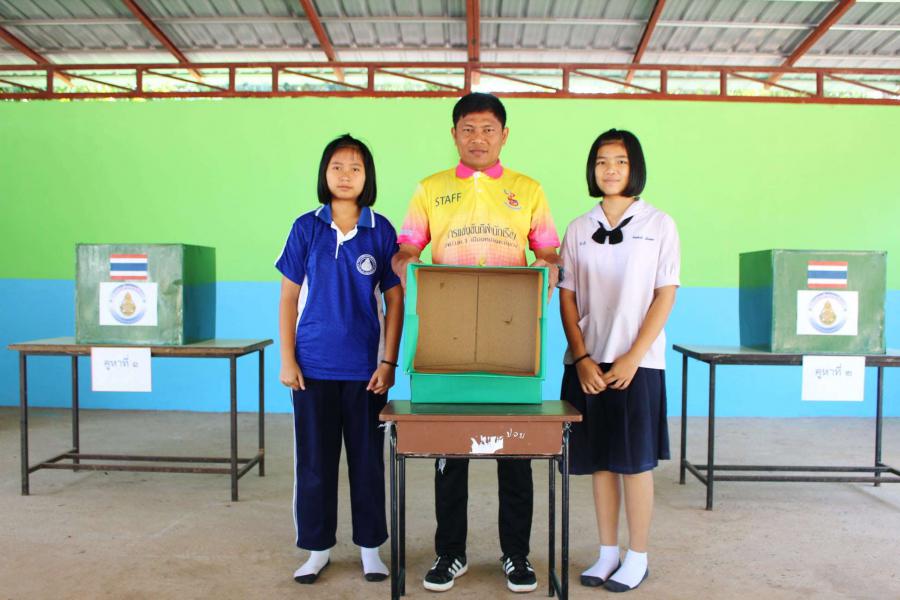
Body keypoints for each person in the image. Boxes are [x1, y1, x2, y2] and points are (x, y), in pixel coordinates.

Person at [392, 93, 561, 593]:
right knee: (450, 449)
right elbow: (407, 248)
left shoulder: (528, 190)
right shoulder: (430, 188)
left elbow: (549, 253)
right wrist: (406, 264)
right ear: (454, 135)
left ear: (504, 135)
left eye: (488, 129)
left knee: (515, 448)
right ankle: (451, 553)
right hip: (447, 329)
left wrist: (548, 268)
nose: (478, 138)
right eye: (468, 129)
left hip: (512, 331)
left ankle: (516, 555)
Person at [276, 134, 403, 585]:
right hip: (311, 369)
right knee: (315, 464)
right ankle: (317, 549)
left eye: (355, 168)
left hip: (365, 372)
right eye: (337, 166)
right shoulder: (305, 228)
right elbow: (288, 298)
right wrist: (288, 359)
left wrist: (387, 363)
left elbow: (394, 301)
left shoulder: (381, 230)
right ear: (324, 174)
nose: (345, 175)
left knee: (367, 463)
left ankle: (370, 549)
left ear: (368, 177)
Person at [558, 129, 679, 593]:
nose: (610, 169)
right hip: (588, 362)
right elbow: (567, 298)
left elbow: (664, 295)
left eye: (621, 161)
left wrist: (632, 357)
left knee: (635, 464)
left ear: (635, 168)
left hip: (637, 365)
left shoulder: (659, 224)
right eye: (602, 161)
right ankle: (607, 552)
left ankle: (637, 555)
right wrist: (582, 358)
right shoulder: (578, 228)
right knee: (601, 463)